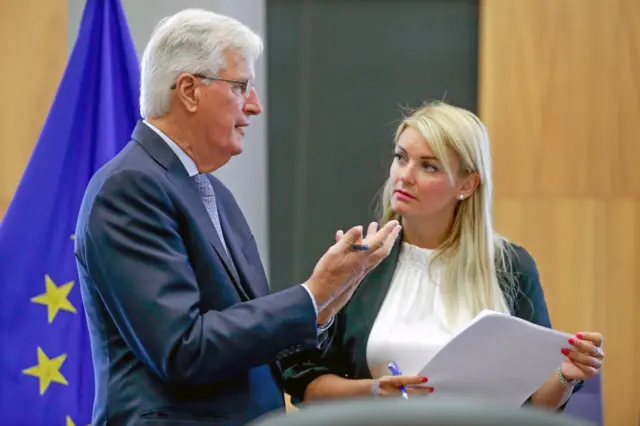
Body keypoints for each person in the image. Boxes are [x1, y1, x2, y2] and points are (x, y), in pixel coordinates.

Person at [74, 9, 401, 426]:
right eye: (241, 86)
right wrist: (313, 292)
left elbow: (247, 338)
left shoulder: (213, 193)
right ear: (190, 91)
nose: (255, 105)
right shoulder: (129, 188)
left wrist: (333, 293)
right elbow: (182, 349)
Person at [281, 101, 605, 410]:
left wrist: (565, 374)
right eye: (401, 157)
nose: (404, 175)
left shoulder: (510, 266)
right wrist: (374, 391)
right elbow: (304, 381)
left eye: (429, 166)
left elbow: (532, 409)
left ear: (467, 184)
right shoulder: (361, 261)